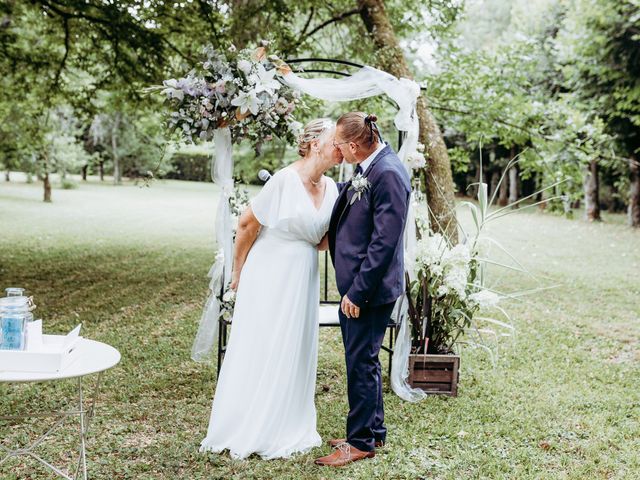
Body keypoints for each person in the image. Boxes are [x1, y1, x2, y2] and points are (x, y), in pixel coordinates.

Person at [199, 118, 341, 459]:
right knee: (263, 342)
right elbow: (247, 224)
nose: (341, 146)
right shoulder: (284, 181)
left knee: (295, 344)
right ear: (315, 143)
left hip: (302, 273)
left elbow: (321, 242)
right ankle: (249, 423)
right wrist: (238, 274)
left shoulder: (334, 188)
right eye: (336, 140)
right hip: (269, 271)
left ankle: (288, 423)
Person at [315, 112, 411, 467]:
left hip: (368, 290)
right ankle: (374, 432)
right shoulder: (370, 166)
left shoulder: (387, 173)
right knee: (366, 359)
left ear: (353, 145)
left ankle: (359, 443)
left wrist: (357, 292)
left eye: (339, 145)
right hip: (362, 286)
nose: (337, 151)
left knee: (360, 362)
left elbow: (384, 243)